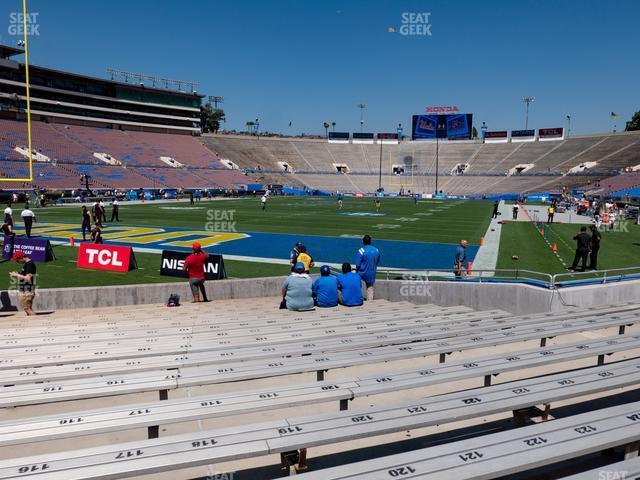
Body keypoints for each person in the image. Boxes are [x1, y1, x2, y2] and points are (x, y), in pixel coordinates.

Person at [9, 250, 36, 316]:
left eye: (17, 260)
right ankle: (32, 320)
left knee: (27, 308)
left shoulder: (30, 264)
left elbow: (28, 278)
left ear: (21, 257)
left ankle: (36, 320)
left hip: (27, 289)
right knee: (27, 308)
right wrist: (18, 273)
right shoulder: (26, 264)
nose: (17, 262)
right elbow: (24, 276)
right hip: (25, 289)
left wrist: (17, 275)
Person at [355, 234, 381, 301]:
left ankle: (357, 299)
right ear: (370, 241)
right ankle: (370, 303)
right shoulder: (376, 250)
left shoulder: (361, 250)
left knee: (356, 285)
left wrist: (356, 271)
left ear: (363, 242)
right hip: (372, 272)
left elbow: (357, 264)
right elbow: (377, 262)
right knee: (370, 288)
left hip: (361, 273)